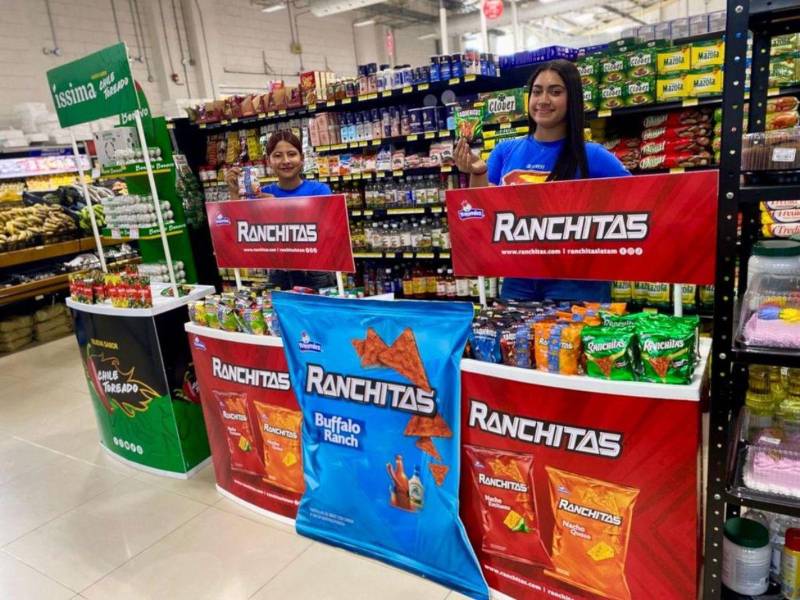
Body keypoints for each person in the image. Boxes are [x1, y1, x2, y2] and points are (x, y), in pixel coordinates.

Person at [454, 59, 631, 302]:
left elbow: (640, 203)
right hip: (518, 282)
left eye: (555, 92)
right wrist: (477, 173)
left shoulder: (594, 155)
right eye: (537, 92)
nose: (543, 100)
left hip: (577, 285)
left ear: (573, 99)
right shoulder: (505, 151)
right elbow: (482, 214)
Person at [225, 129, 335, 291]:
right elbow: (240, 230)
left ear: (302, 159)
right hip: (278, 271)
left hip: (317, 270)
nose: (286, 161)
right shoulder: (261, 194)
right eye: (277, 155)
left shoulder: (319, 191)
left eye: (292, 154)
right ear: (268, 161)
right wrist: (234, 192)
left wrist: (278, 207)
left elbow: (327, 232)